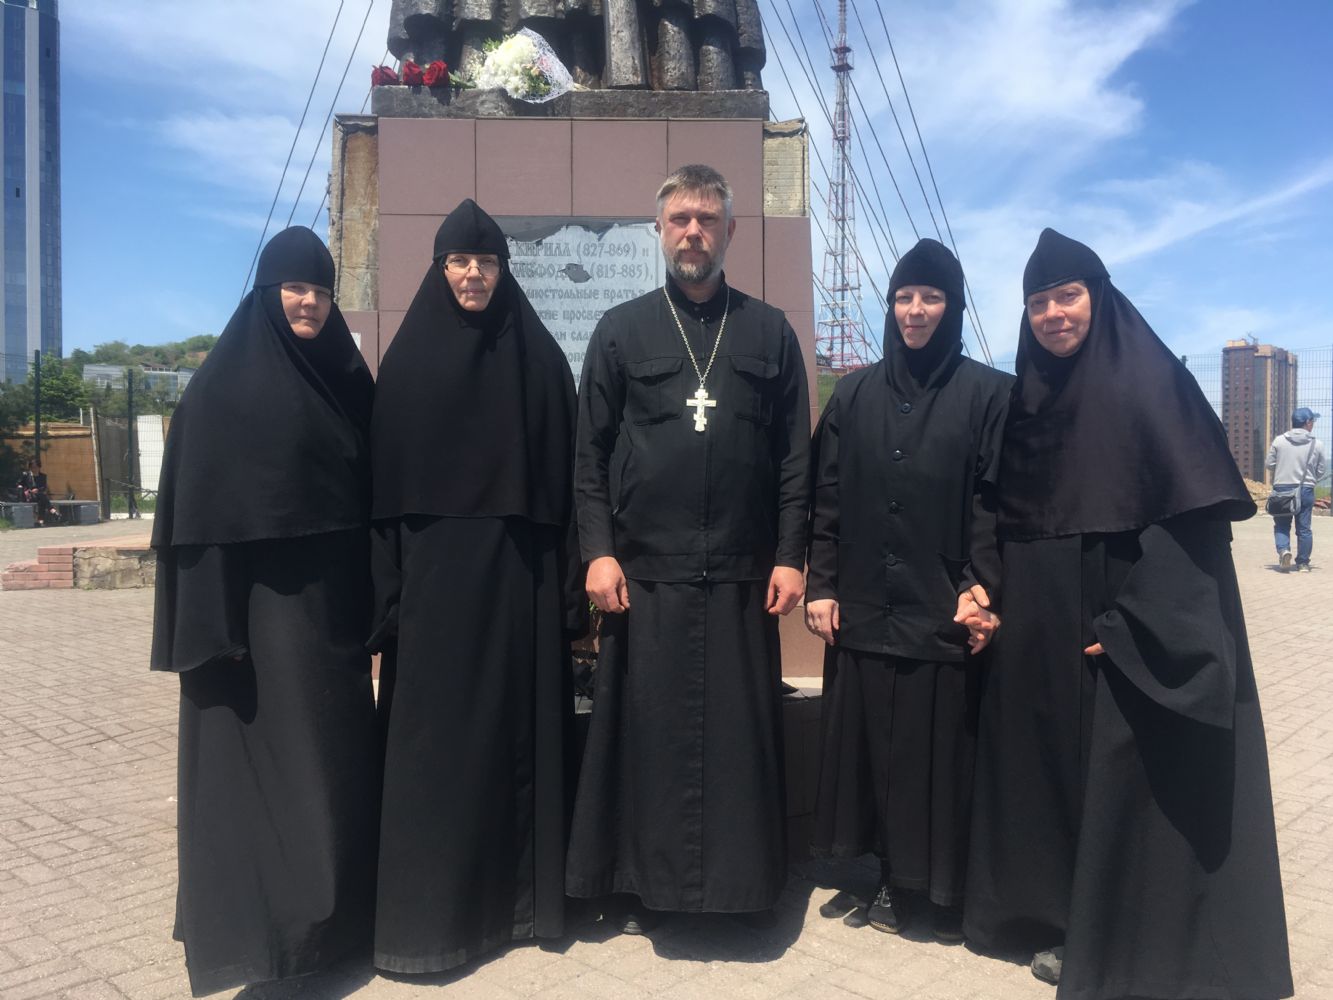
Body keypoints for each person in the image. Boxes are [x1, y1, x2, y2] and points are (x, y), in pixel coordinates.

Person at [963, 229, 1292, 998]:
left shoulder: (1149, 383)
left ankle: (1124, 939)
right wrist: (985, 588)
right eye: (1037, 303)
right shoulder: (1025, 401)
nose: (1052, 314)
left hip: (1120, 623)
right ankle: (1051, 916)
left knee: (1128, 780)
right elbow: (996, 506)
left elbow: (1191, 526)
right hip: (1038, 626)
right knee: (1047, 772)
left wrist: (1136, 624)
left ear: (1100, 298)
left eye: (1067, 296)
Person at [565, 164, 810, 930]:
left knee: (736, 745)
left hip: (741, 576)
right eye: (679, 219)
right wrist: (597, 551)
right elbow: (588, 456)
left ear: (730, 230)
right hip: (648, 577)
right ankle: (646, 886)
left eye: (706, 218)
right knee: (650, 741)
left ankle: (741, 890)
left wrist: (790, 554)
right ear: (659, 230)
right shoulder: (621, 329)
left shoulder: (768, 331)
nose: (693, 232)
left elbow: (794, 458)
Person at [151, 226, 380, 996]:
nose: (309, 301)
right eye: (294, 287)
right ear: (265, 292)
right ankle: (271, 945)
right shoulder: (222, 390)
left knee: (333, 773)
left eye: (320, 289)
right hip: (253, 626)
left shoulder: (345, 382)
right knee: (266, 785)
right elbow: (198, 517)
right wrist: (211, 632)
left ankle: (339, 928)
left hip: (332, 622)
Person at [369, 198, 584, 974]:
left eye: (486, 262)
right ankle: (430, 925)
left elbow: (567, 491)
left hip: (520, 588)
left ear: (503, 270)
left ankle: (523, 911)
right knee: (434, 754)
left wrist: (567, 597)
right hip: (433, 599)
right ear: (439, 269)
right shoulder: (405, 369)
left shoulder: (540, 363)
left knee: (517, 742)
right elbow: (382, 506)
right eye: (459, 261)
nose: (472, 275)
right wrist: (385, 604)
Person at [806, 239, 1010, 941]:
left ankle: (932, 889)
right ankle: (884, 872)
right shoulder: (854, 394)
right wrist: (822, 583)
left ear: (953, 306)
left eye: (930, 297)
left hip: (939, 607)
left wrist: (980, 586)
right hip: (864, 603)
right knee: (871, 750)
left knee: (932, 753)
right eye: (903, 297)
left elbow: (992, 502)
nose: (915, 311)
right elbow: (826, 495)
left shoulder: (988, 394)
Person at [1267, 406, 1326, 572]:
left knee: (1281, 525)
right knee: (1304, 528)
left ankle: (1284, 551)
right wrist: (1311, 479)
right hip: (1305, 489)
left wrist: (1282, 470)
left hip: (1282, 487)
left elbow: (1269, 464)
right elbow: (1321, 470)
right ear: (1307, 423)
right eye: (1313, 421)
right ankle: (1303, 563)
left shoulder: (1279, 441)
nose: (1313, 424)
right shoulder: (1317, 444)